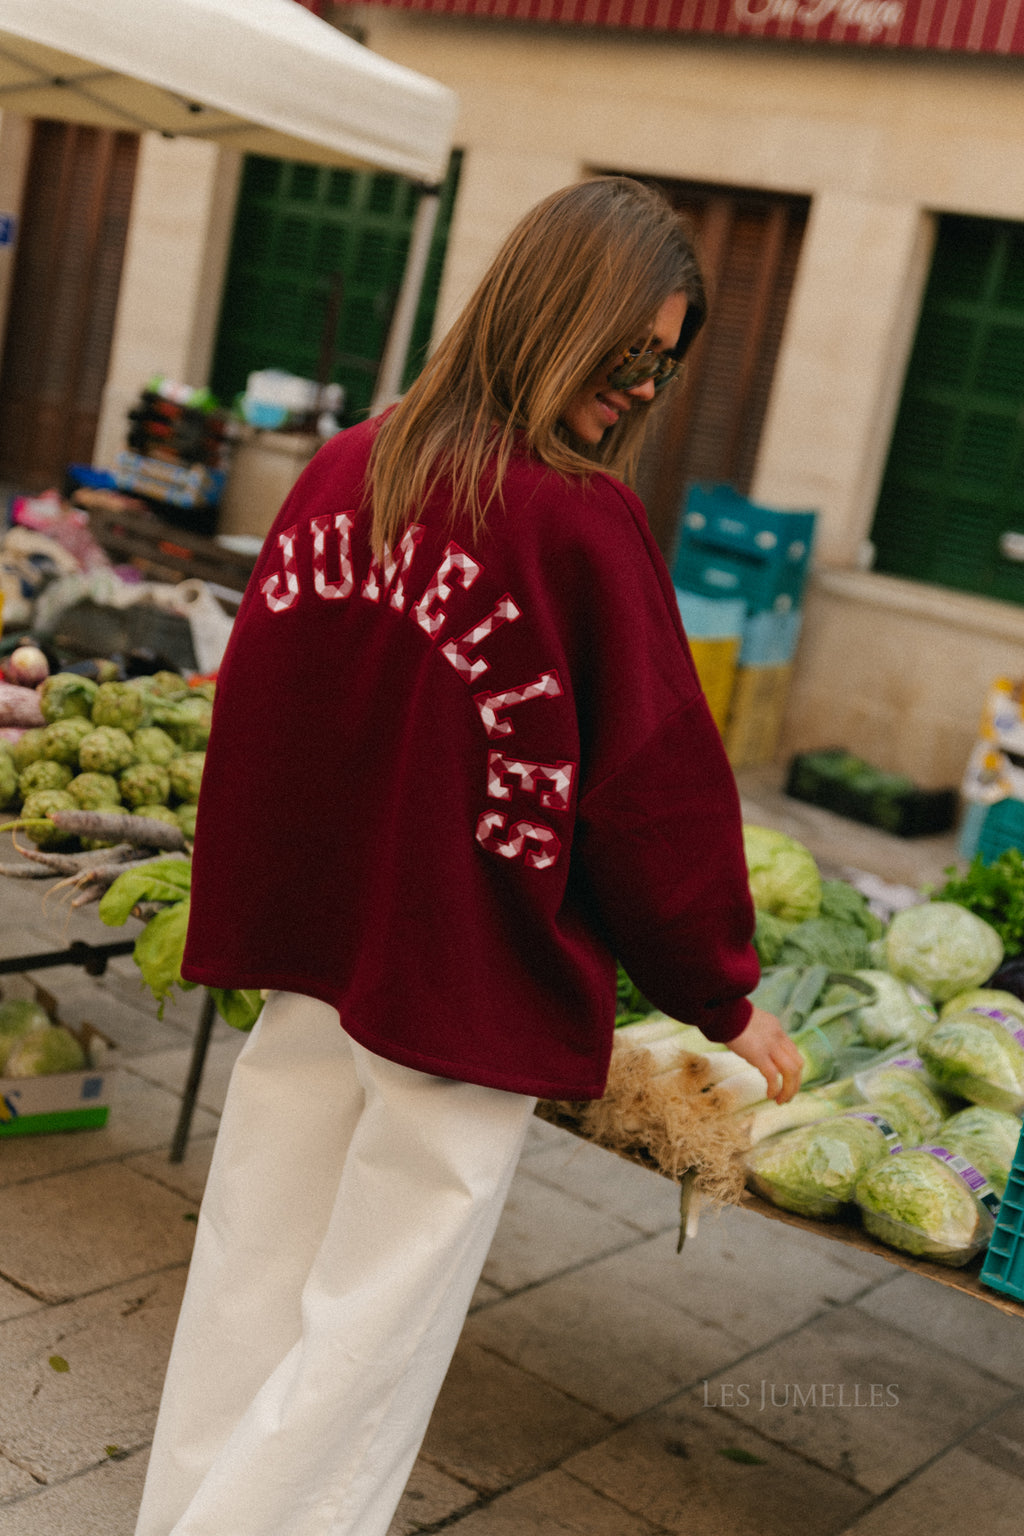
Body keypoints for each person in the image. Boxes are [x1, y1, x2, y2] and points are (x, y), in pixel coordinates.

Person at [133, 175, 802, 1536]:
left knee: (251, 1283)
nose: (638, 390)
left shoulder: (346, 472)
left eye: (661, 369)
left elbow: (256, 715)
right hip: (461, 984)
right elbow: (653, 790)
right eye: (628, 354)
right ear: (557, 317)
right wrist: (720, 991)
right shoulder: (575, 523)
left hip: (310, 964)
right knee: (363, 1345)